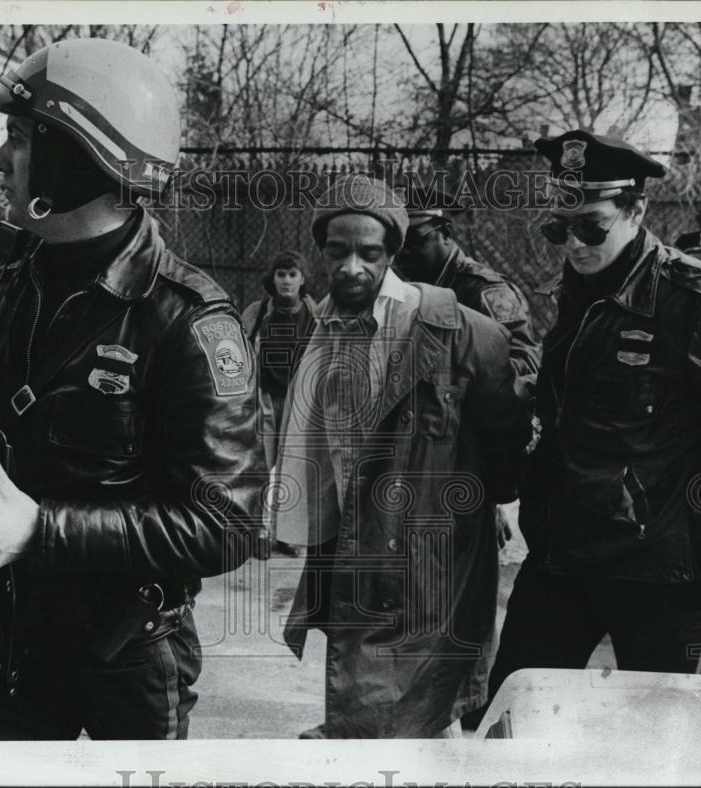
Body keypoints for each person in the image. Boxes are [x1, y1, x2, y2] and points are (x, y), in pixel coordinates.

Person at [0, 38, 265, 740]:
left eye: (21, 139)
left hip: (124, 656)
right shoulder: (6, 280)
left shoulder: (188, 320)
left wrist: (38, 529)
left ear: (75, 158)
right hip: (1, 633)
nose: (1, 160)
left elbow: (226, 523)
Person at [480, 130, 701, 715]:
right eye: (560, 229)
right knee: (512, 716)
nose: (574, 245)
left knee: (654, 743)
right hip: (563, 558)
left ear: (636, 209)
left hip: (664, 576)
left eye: (591, 226)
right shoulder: (579, 289)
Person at [273, 174, 531, 738]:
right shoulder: (320, 328)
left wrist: (490, 502)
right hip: (352, 543)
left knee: (413, 702)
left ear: (392, 253)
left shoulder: (461, 331)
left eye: (369, 253)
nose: (351, 267)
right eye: (337, 252)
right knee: (378, 704)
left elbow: (507, 434)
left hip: (430, 556)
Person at [397, 189, 540, 382]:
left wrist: (464, 377)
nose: (403, 251)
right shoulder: (407, 291)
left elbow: (526, 359)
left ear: (446, 234)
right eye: (397, 242)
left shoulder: (482, 290)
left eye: (415, 239)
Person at [241, 251, 318, 558]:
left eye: (293, 275)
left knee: (293, 468)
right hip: (264, 400)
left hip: (297, 401)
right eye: (281, 274)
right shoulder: (258, 311)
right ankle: (258, 531)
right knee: (260, 466)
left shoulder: (313, 312)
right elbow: (239, 350)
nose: (287, 281)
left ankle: (287, 534)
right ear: (273, 279)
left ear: (303, 280)